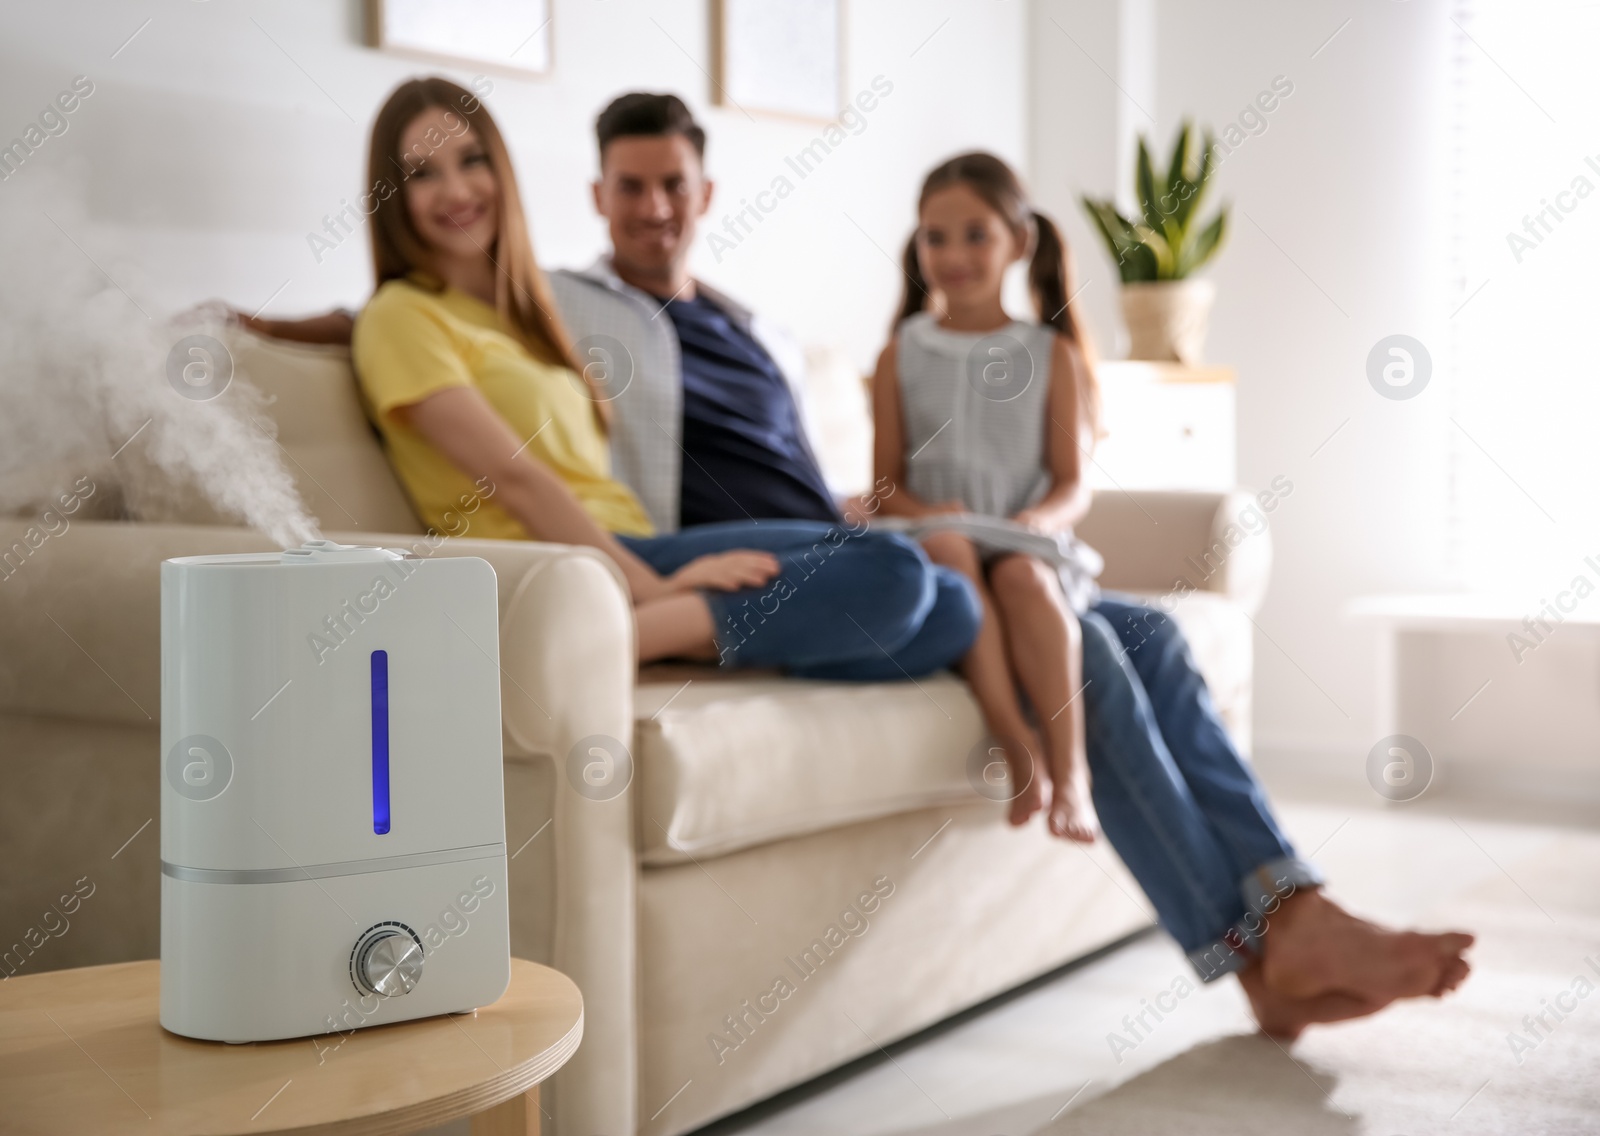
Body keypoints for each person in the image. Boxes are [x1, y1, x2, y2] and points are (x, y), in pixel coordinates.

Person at [241, 88, 1474, 1041]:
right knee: (1040, 623)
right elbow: (413, 353)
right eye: (628, 189)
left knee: (1142, 632)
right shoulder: (584, 301)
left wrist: (886, 506)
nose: (651, 211)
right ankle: (1274, 933)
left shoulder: (676, 320)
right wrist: (274, 323)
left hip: (828, 534)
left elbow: (471, 334)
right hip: (652, 560)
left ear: (705, 191)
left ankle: (1276, 935)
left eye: (673, 186)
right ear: (595, 196)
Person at [344, 76, 979, 682]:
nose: (455, 189)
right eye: (422, 172)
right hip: (566, 565)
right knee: (891, 570)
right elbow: (516, 479)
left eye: (471, 160)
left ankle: (690, 641)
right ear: (390, 194)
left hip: (631, 544)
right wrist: (653, 585)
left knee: (952, 608)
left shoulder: (528, 316)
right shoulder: (400, 317)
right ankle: (615, 640)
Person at [872, 151, 1099, 841]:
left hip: (1019, 538)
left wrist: (1039, 518)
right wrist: (922, 512)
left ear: (1019, 243)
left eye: (977, 235)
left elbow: (1072, 481)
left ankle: (1074, 774)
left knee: (1028, 579)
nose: (953, 254)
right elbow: (884, 484)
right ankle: (1014, 740)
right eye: (935, 237)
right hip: (936, 536)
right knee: (948, 546)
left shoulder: (1050, 354)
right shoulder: (900, 353)